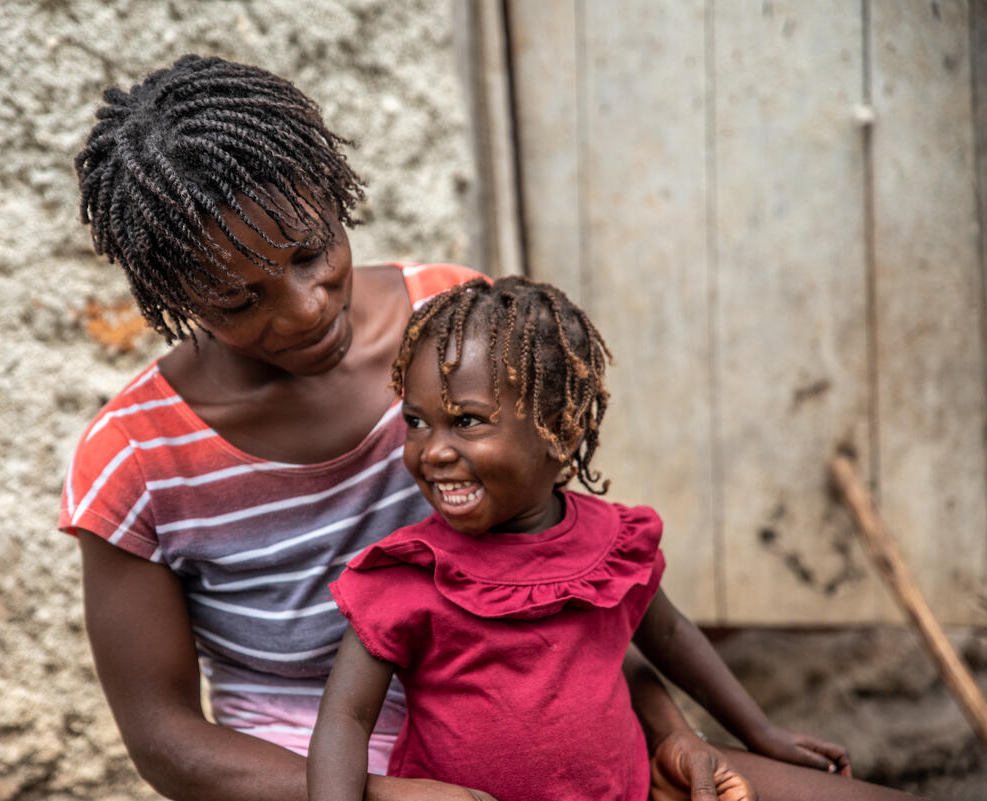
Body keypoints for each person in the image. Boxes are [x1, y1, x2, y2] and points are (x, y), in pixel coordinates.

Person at [61, 53, 918, 801]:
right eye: (239, 299)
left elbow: (562, 581)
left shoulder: (454, 328)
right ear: (172, 297)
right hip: (309, 772)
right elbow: (167, 742)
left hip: (560, 729)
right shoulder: (136, 455)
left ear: (332, 195)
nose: (306, 307)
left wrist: (665, 728)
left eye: (312, 251)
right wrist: (387, 793)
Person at [307, 276, 859, 801]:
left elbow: (668, 634)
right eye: (418, 421)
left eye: (467, 422)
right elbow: (344, 720)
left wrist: (760, 733)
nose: (433, 451)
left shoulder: (611, 546)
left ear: (560, 432)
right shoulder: (406, 575)